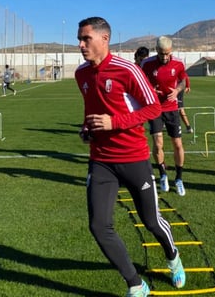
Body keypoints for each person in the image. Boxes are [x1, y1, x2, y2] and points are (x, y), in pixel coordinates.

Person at [75, 17, 185, 297]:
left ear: (104, 39)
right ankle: (135, 283)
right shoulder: (81, 74)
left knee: (151, 221)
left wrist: (114, 122)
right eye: (80, 39)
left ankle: (172, 256)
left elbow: (154, 108)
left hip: (134, 158)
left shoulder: (128, 70)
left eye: (86, 39)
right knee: (98, 226)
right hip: (101, 160)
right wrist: (87, 128)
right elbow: (91, 109)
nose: (81, 45)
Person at [141, 36, 187, 196]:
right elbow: (140, 82)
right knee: (158, 143)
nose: (165, 57)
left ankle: (179, 179)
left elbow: (183, 81)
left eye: (167, 53)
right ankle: (163, 174)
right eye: (162, 54)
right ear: (156, 50)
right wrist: (150, 90)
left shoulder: (179, 63)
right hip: (155, 109)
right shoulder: (147, 64)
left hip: (172, 109)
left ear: (171, 51)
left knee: (177, 144)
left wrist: (177, 91)